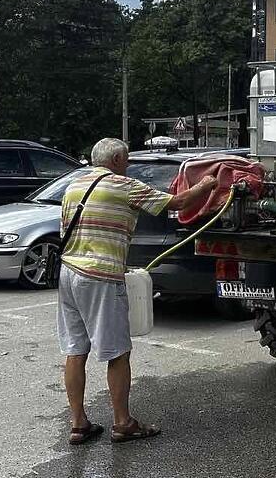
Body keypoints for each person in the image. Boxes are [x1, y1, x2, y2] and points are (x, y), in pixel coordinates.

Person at [57, 138, 218, 445]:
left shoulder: (74, 186)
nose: (129, 164)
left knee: (75, 350)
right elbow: (178, 203)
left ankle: (78, 424)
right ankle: (123, 423)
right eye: (126, 158)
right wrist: (207, 185)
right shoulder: (122, 185)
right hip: (100, 276)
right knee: (118, 352)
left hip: (68, 273)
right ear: (116, 159)